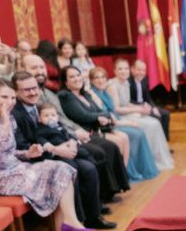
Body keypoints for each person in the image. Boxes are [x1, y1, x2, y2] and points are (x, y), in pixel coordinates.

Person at [0, 77, 93, 231]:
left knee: (62, 168)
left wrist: (27, 153)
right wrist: (5, 124)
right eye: (4, 97)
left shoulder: (8, 117)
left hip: (15, 167)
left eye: (12, 98)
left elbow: (10, 152)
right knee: (53, 176)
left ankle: (67, 225)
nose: (10, 102)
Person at [20, 54, 127, 202]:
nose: (39, 71)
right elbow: (63, 122)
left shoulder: (50, 93)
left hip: (69, 134)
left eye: (41, 67)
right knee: (99, 151)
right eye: (34, 67)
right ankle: (102, 196)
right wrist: (74, 134)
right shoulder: (52, 96)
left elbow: (63, 118)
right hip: (54, 142)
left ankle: (106, 194)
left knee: (108, 147)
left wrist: (77, 132)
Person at [36, 103, 116, 230]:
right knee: (74, 169)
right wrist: (58, 149)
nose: (50, 118)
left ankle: (94, 216)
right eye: (46, 116)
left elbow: (69, 136)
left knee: (90, 167)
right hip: (56, 155)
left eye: (53, 115)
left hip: (71, 150)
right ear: (39, 118)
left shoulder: (59, 126)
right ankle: (78, 219)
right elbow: (42, 142)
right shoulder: (41, 129)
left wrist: (73, 143)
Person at [88, 67, 159, 182]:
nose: (100, 80)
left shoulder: (104, 92)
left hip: (115, 120)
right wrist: (125, 122)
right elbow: (105, 115)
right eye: (96, 78)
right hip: (106, 125)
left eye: (102, 77)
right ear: (91, 80)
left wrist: (127, 121)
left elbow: (113, 112)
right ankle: (127, 172)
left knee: (139, 131)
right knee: (135, 134)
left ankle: (138, 168)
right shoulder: (93, 94)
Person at [58, 66, 131, 170]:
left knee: (124, 137)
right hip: (86, 132)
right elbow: (84, 116)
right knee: (118, 141)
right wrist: (104, 116)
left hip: (97, 128)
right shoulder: (66, 96)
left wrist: (103, 116)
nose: (77, 78)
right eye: (72, 76)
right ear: (65, 82)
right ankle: (117, 175)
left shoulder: (85, 94)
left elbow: (99, 111)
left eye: (78, 75)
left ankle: (123, 171)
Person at [106, 59, 173, 170]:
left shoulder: (126, 83)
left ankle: (155, 156)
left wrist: (141, 108)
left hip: (127, 112)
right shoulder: (113, 86)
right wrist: (139, 109)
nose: (123, 71)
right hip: (119, 117)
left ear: (129, 70)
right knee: (150, 124)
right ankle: (149, 159)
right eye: (120, 69)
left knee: (155, 122)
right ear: (115, 71)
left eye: (126, 68)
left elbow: (127, 103)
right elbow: (116, 109)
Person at [129, 60, 171, 141]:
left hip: (146, 105)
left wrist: (154, 107)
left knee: (165, 114)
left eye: (143, 70)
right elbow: (128, 100)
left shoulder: (145, 80)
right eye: (139, 70)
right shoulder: (128, 82)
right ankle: (157, 142)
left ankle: (164, 142)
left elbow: (148, 97)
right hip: (135, 108)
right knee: (156, 118)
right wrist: (142, 105)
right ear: (132, 69)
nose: (141, 72)